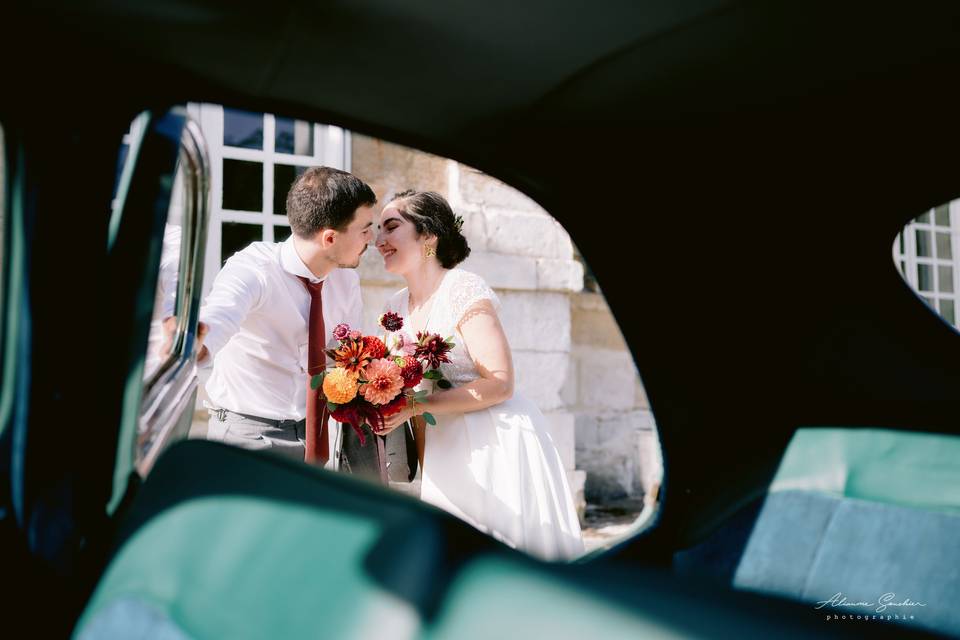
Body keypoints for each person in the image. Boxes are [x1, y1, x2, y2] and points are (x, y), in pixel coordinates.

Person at [374, 190, 584, 561]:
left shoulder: (463, 289)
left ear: (428, 236)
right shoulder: (394, 308)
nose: (379, 241)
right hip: (443, 448)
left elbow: (500, 381)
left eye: (391, 227)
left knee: (502, 558)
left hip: (494, 440)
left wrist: (418, 404)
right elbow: (410, 399)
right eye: (377, 231)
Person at [187, 166, 376, 464]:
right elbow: (219, 316)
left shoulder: (347, 282)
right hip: (246, 439)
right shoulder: (253, 269)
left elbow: (345, 359)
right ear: (330, 238)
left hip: (316, 438)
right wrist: (194, 341)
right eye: (365, 229)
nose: (371, 239)